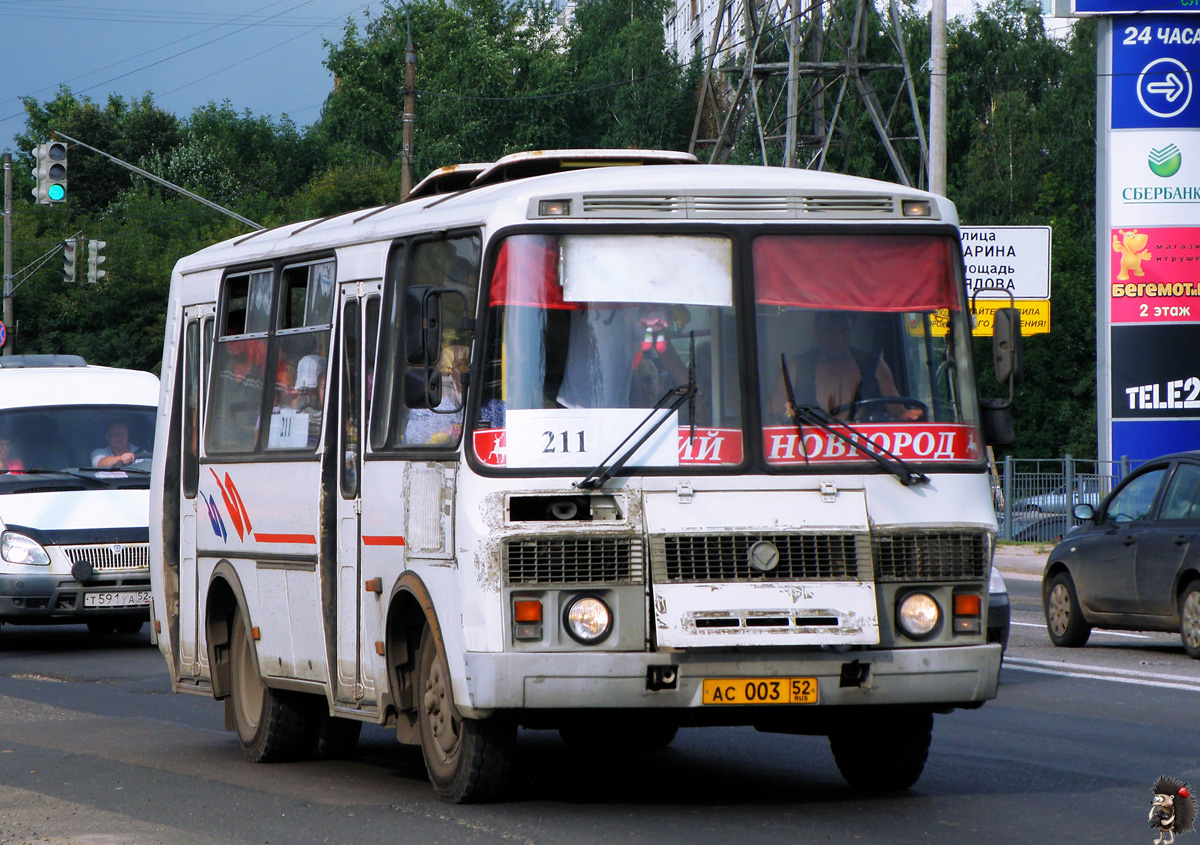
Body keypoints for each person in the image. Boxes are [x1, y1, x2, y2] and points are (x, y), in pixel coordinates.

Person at [774, 311, 923, 421]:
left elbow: (897, 412)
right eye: (831, 331)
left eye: (844, 331)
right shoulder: (796, 368)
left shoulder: (874, 366)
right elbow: (773, 415)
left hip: (866, 452)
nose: (838, 339)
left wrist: (908, 416)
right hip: (811, 455)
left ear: (852, 332)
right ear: (817, 331)